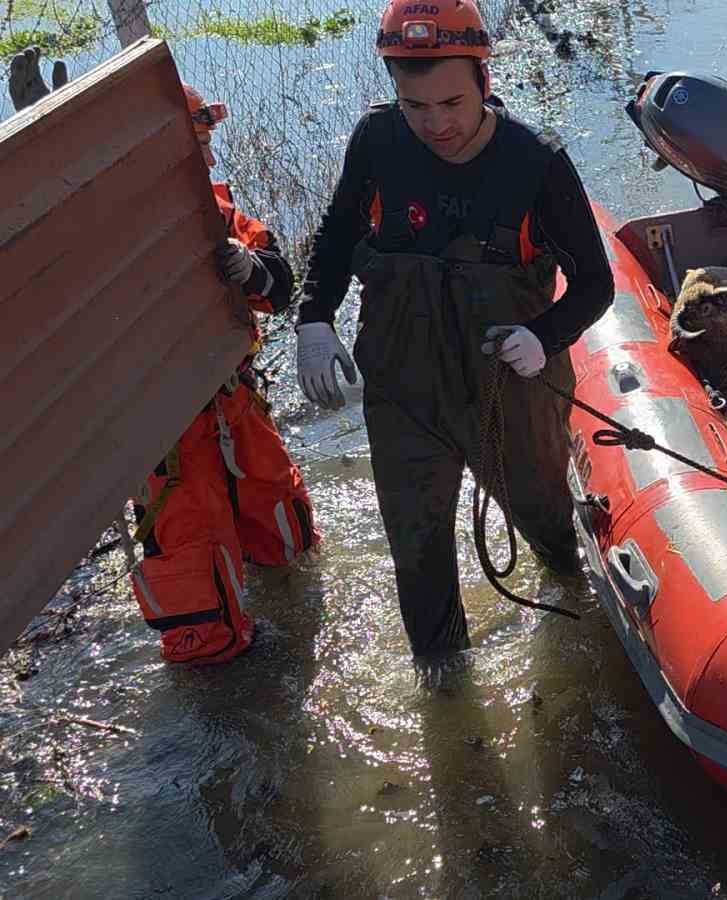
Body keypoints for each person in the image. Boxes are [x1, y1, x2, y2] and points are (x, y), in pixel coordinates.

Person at [293, 0, 614, 663]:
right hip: (404, 386)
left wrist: (546, 336)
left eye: (451, 102)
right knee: (417, 548)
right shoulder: (377, 143)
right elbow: (336, 239)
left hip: (510, 389)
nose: (435, 122)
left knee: (548, 526)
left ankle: (580, 640)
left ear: (484, 82)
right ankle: (444, 685)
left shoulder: (537, 165)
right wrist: (314, 318)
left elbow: (594, 285)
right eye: (415, 105)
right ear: (394, 93)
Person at [128, 83, 320, 665]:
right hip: (166, 440)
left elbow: (281, 283)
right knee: (203, 622)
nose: (211, 159)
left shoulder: (218, 215)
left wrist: (250, 269)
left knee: (290, 549)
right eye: (200, 145)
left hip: (235, 406)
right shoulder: (96, 247)